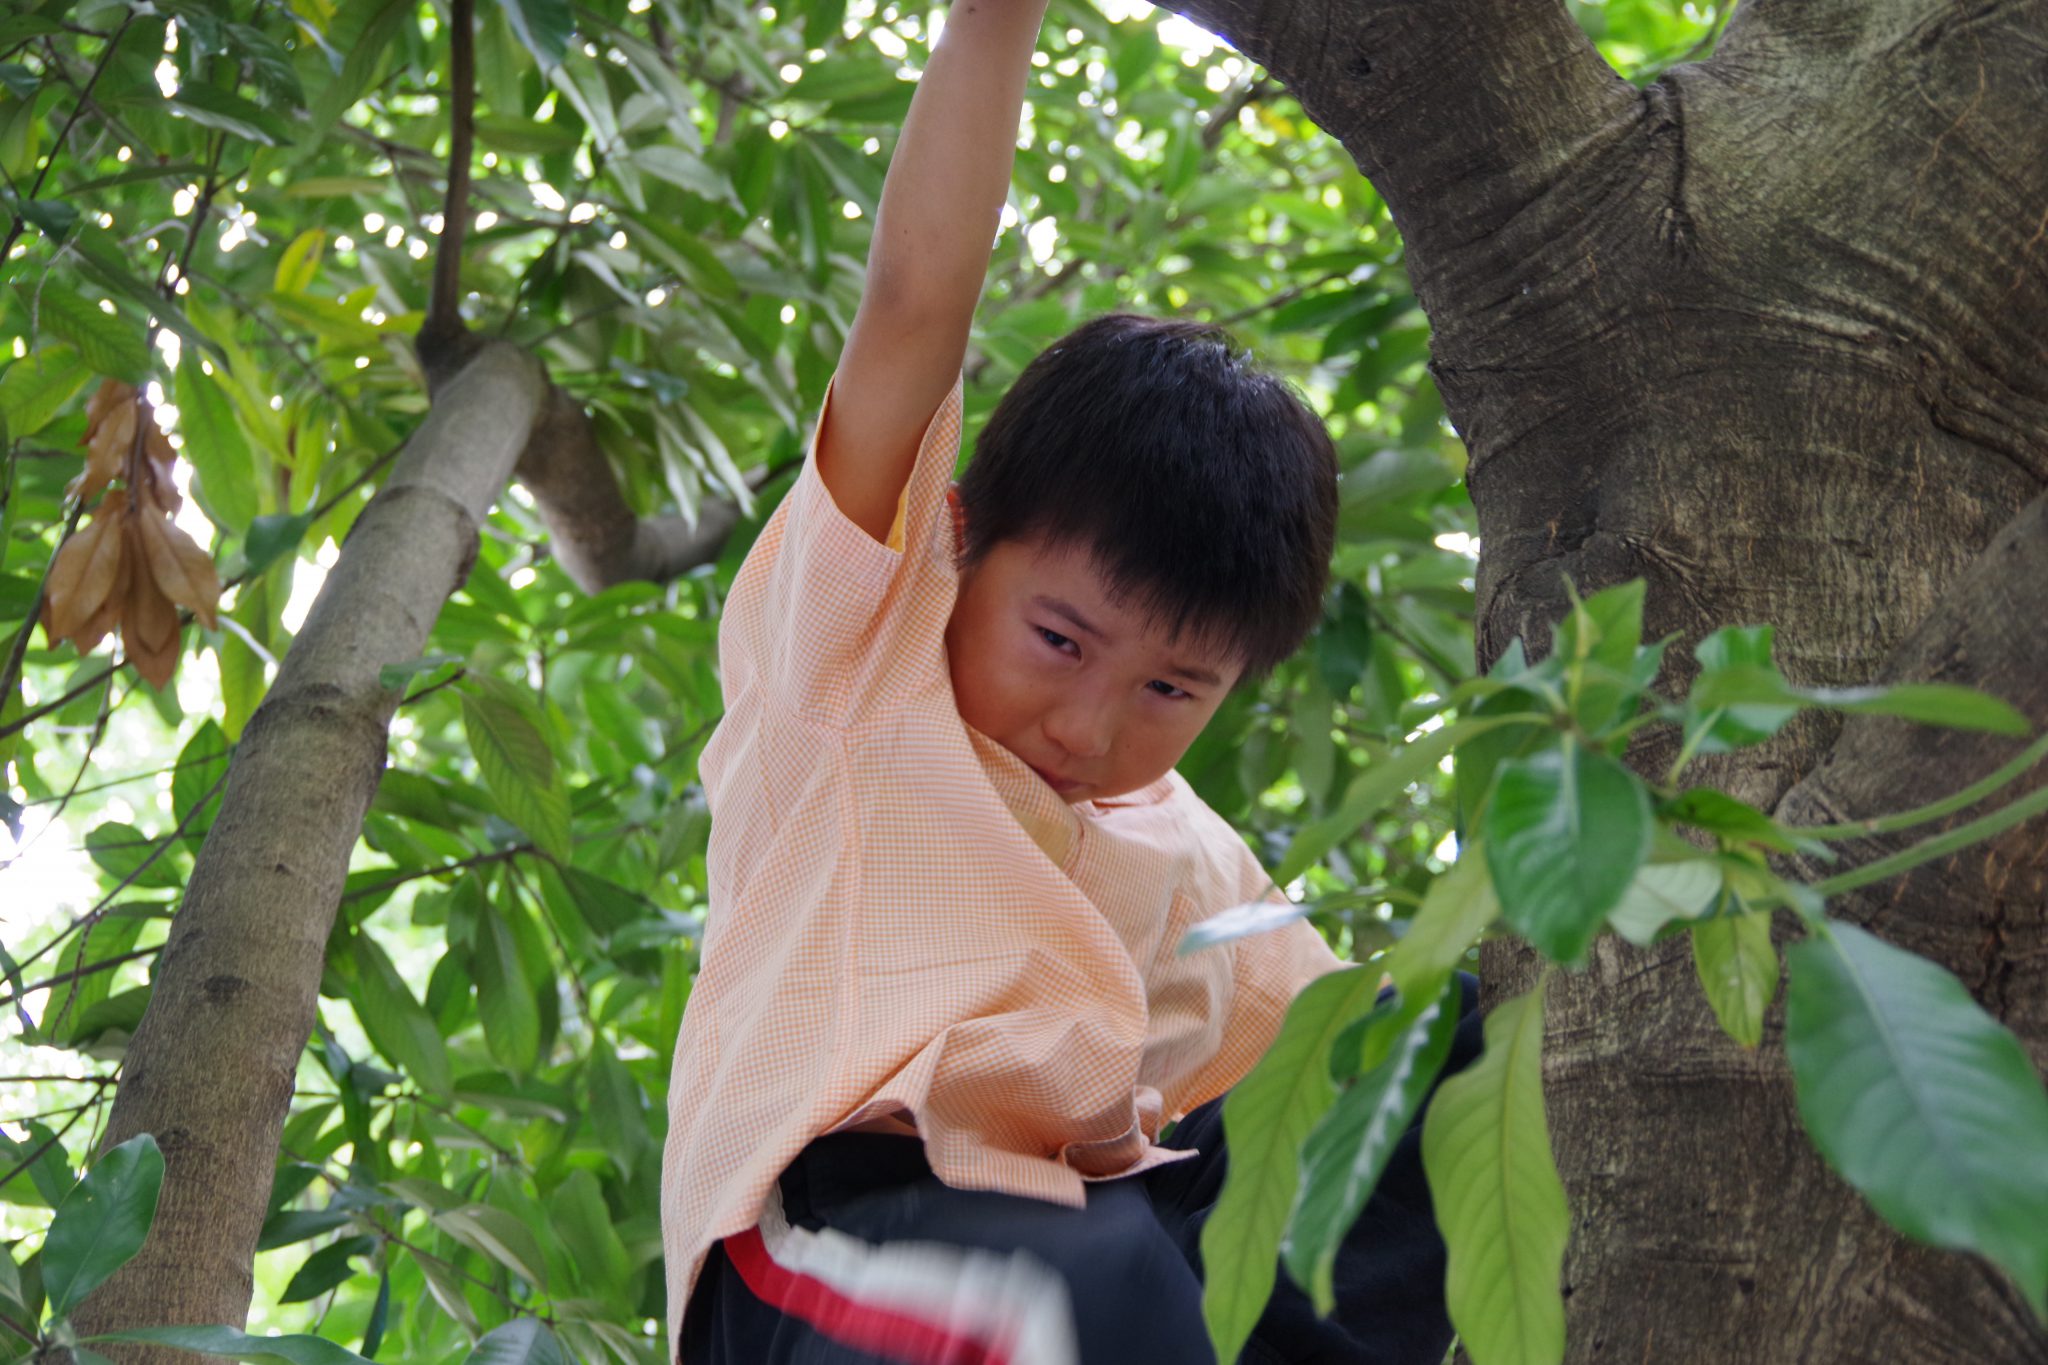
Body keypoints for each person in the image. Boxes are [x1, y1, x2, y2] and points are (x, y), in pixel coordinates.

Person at [657, 0, 1481, 1359]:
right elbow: (912, 307)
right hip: (833, 1234)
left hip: (1116, 1233)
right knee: (1082, 1294)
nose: (1090, 725)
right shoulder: (856, 672)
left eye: (1172, 691)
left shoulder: (1190, 864)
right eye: (1061, 640)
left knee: (1441, 1052)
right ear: (959, 544)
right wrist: (997, 21)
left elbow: (1337, 1061)